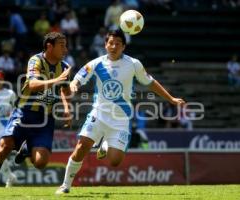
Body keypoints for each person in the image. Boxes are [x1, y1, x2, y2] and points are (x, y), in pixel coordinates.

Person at [56, 29, 185, 194]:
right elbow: (77, 81)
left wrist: (171, 99)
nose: (113, 46)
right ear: (105, 45)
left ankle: (105, 144)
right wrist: (73, 86)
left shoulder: (133, 64)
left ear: (123, 46)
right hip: (98, 114)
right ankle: (65, 185)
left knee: (115, 161)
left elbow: (150, 82)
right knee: (81, 147)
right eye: (110, 43)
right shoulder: (95, 63)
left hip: (121, 119)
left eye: (118, 43)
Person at [0, 32, 72, 196]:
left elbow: (65, 90)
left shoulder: (64, 67)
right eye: (62, 45)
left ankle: (26, 148)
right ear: (49, 46)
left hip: (45, 119)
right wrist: (56, 80)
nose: (66, 49)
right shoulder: (36, 60)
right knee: (3, 149)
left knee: (41, 163)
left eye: (66, 45)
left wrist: (67, 108)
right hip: (24, 113)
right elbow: (33, 84)